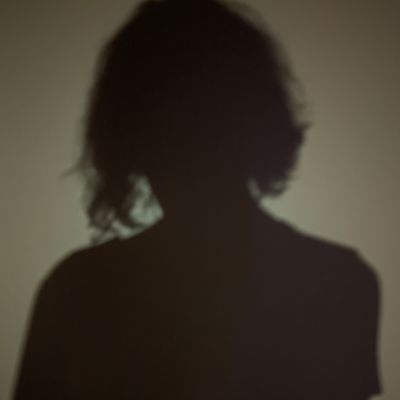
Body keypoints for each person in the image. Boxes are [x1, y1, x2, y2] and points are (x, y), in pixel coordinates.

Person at [13, 0, 381, 398]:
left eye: (194, 129)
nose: (181, 155)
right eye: (160, 130)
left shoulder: (77, 293)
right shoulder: (335, 283)